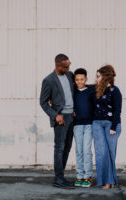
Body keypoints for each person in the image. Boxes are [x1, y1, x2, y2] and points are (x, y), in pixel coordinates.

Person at [39, 54, 75, 189]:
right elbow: (43, 102)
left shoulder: (70, 75)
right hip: (61, 119)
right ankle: (59, 179)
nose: (69, 68)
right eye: (66, 66)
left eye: (69, 65)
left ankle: (61, 177)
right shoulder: (48, 80)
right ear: (58, 65)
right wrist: (55, 115)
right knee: (59, 148)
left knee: (67, 148)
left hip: (72, 116)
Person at [92, 65, 122, 189]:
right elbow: (79, 89)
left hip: (111, 125)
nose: (96, 79)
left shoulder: (115, 91)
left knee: (110, 153)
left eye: (98, 76)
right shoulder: (96, 90)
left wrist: (113, 127)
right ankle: (107, 181)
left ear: (105, 77)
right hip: (97, 124)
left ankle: (109, 181)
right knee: (101, 153)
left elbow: (117, 110)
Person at [73, 68, 95, 188]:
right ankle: (80, 176)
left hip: (89, 125)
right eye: (77, 80)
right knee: (79, 150)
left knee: (87, 150)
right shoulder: (73, 92)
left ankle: (88, 176)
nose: (79, 82)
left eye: (82, 79)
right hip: (77, 125)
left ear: (86, 79)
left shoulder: (91, 91)